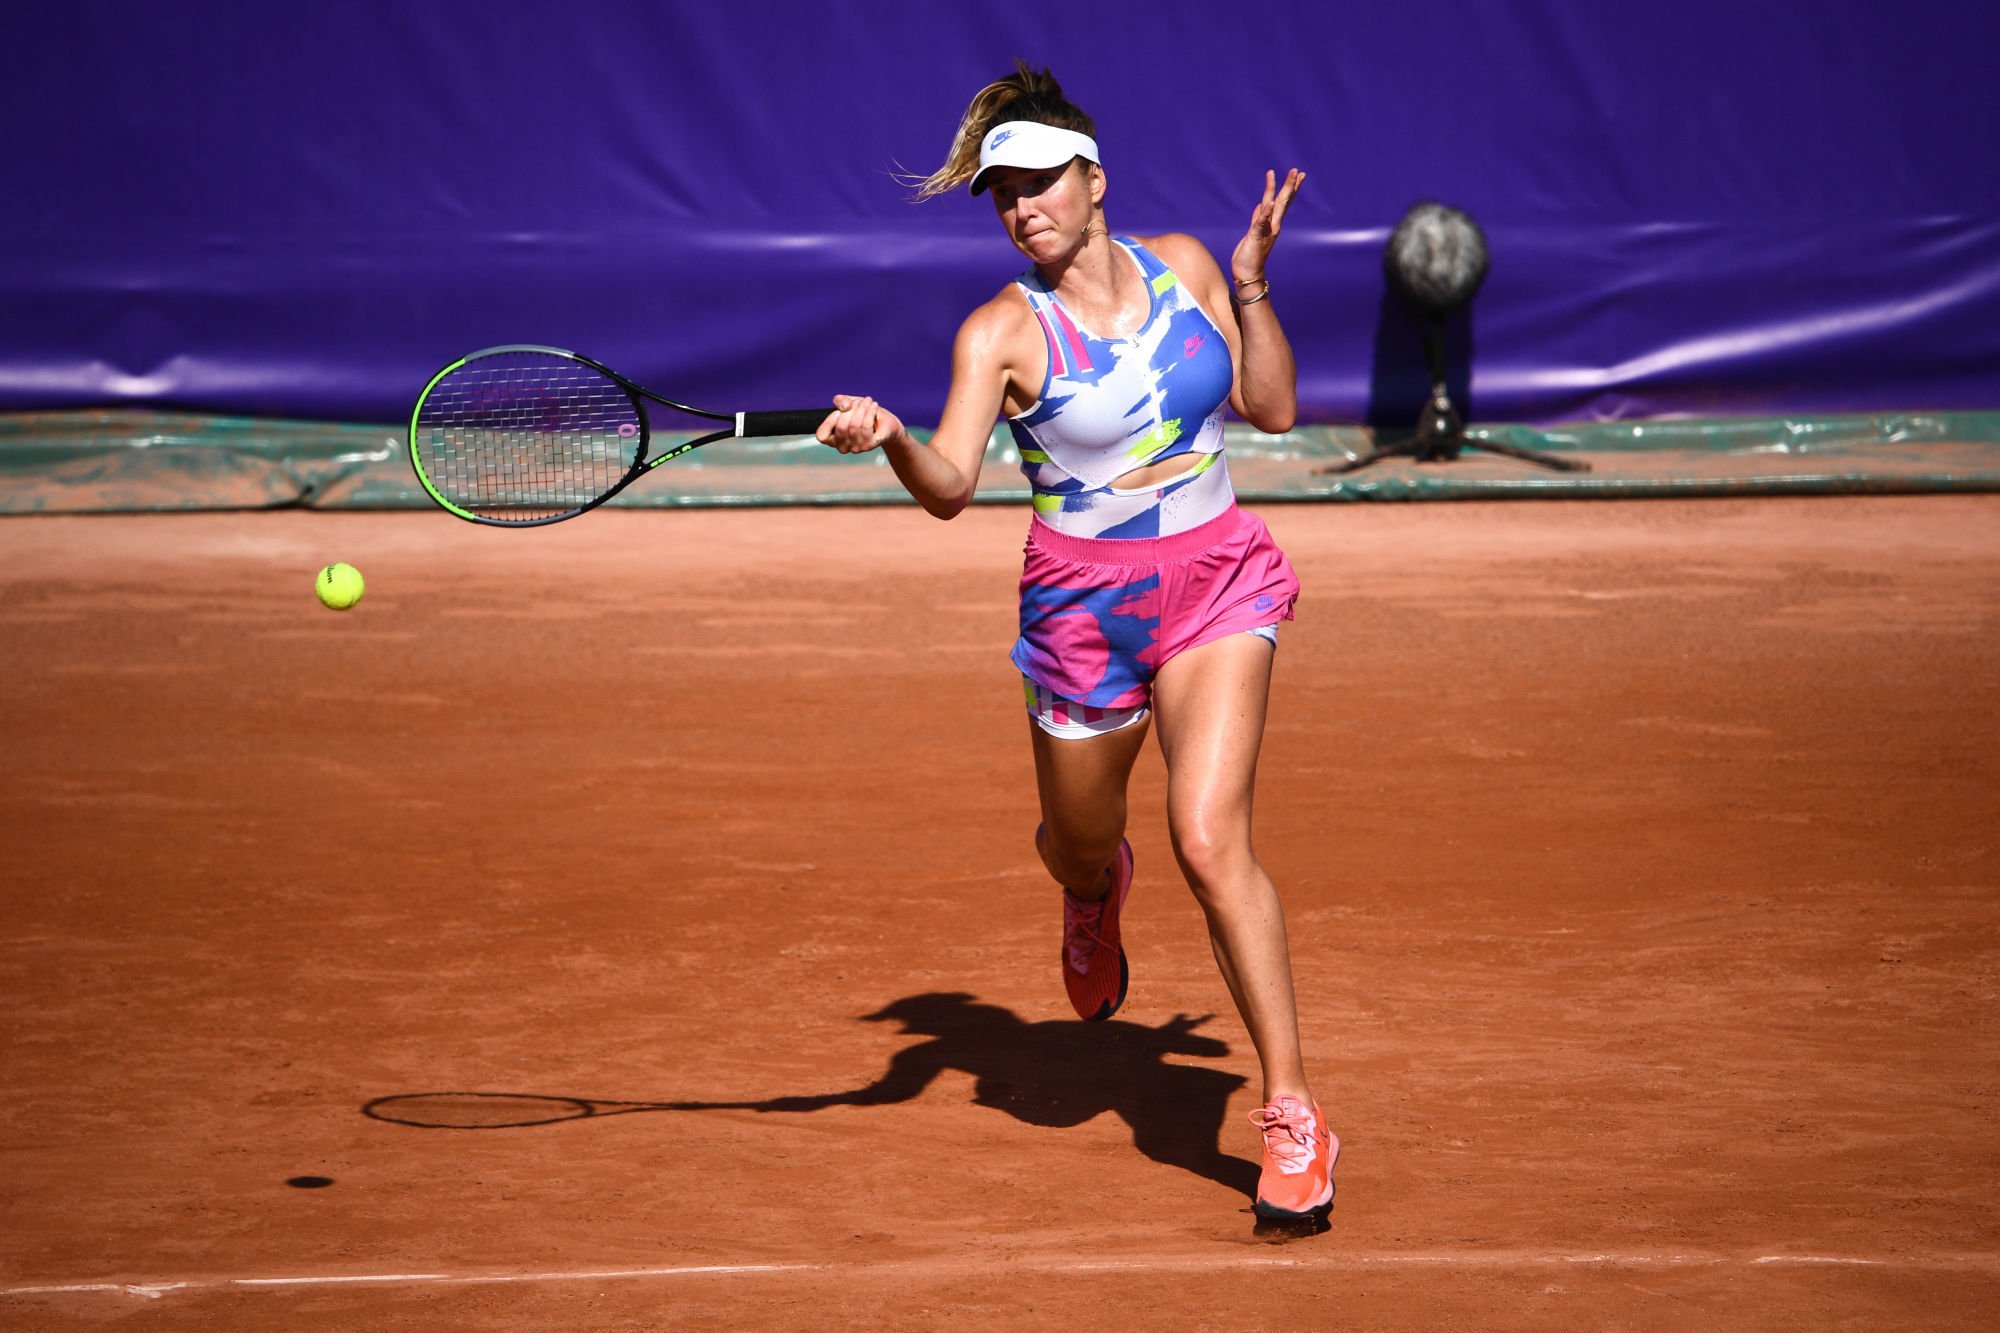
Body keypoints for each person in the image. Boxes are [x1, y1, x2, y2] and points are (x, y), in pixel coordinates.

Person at [815, 61, 1335, 1226]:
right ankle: (1091, 894)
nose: (1020, 209)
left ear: (1092, 179)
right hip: (1080, 611)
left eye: (1038, 182)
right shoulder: (999, 331)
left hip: (1216, 582)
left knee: (1209, 841)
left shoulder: (1190, 267)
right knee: (1075, 842)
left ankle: (1292, 1108)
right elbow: (950, 488)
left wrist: (1250, 288)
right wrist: (894, 435)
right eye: (1000, 196)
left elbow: (1276, 409)